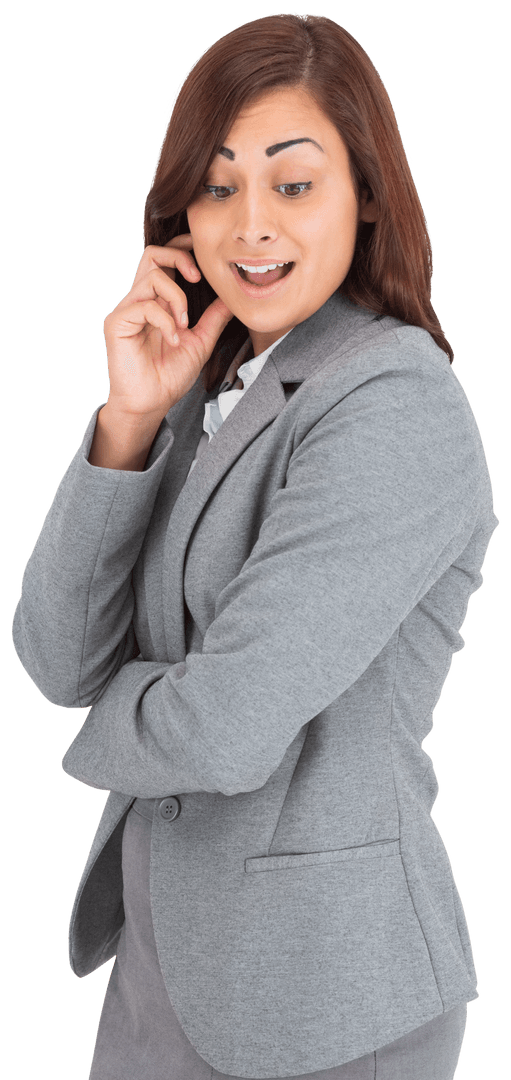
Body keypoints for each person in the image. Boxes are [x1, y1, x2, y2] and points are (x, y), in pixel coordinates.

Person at [11, 12, 499, 1080]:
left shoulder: (395, 402)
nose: (248, 226)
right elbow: (55, 655)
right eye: (218, 186)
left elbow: (226, 728)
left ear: (365, 196)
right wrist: (129, 420)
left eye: (292, 183)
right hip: (160, 971)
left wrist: (100, 730)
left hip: (322, 998)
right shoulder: (209, 392)